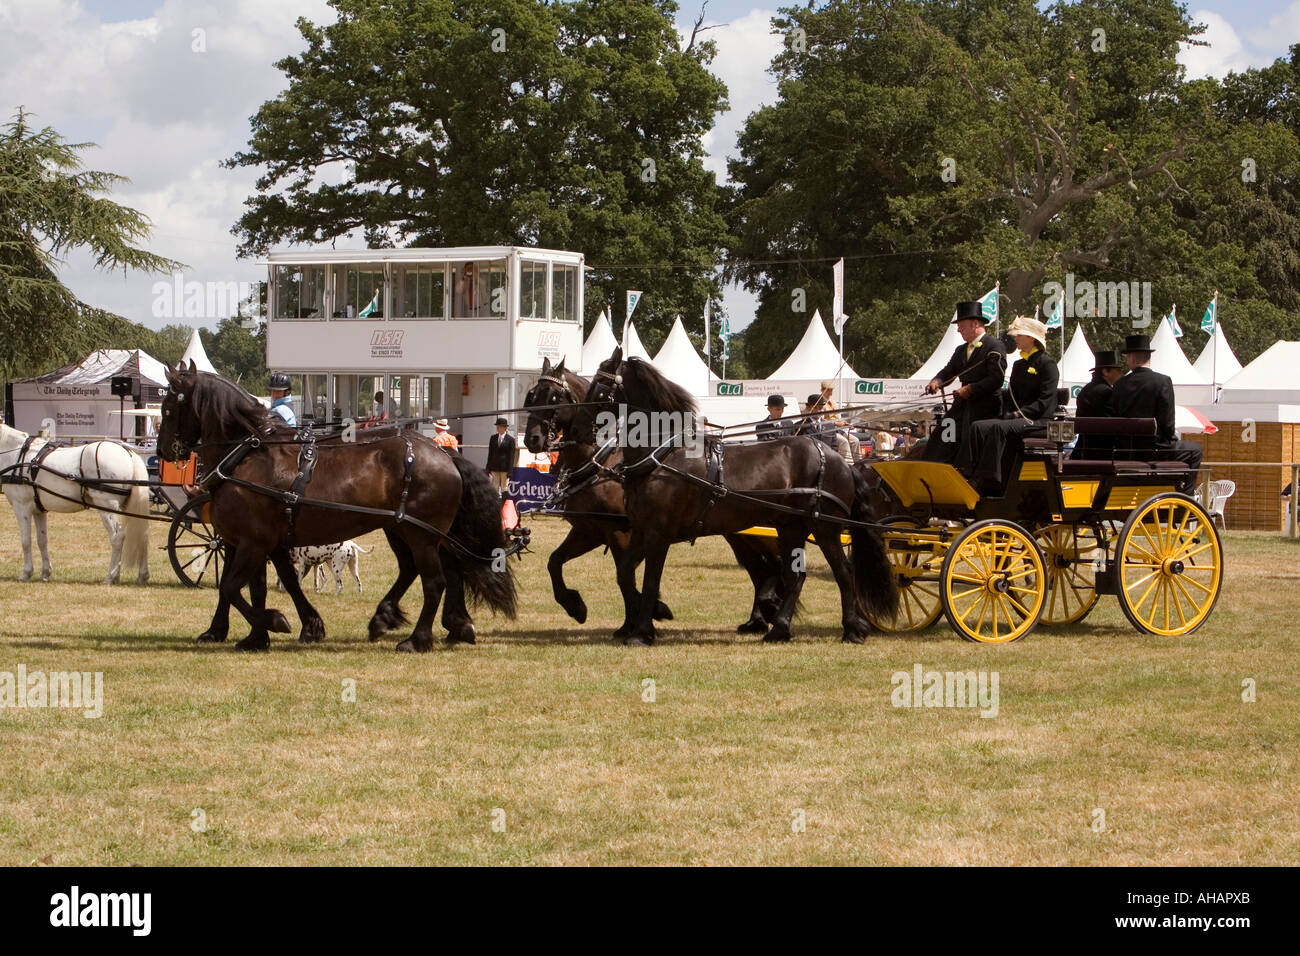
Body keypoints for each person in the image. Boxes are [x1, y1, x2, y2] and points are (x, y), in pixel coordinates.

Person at [960, 315, 1059, 492]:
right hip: (1017, 419)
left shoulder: (1048, 364)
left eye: (1019, 335)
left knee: (998, 428)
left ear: (1031, 338)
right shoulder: (1019, 365)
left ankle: (987, 480)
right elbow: (1011, 396)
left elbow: (1044, 402)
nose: (1015, 338)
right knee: (978, 426)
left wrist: (1016, 414)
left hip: (1039, 421)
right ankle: (967, 470)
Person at [1111, 333, 1203, 493]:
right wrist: (1169, 438)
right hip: (1156, 449)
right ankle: (1186, 496)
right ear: (1148, 357)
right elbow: (1167, 422)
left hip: (1126, 450)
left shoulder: (1120, 385)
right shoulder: (1162, 381)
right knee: (1195, 450)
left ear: (1132, 358)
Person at [921, 300, 1008, 463]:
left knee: (969, 437)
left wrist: (971, 389)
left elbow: (996, 378)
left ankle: (967, 470)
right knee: (943, 432)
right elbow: (949, 371)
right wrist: (937, 381)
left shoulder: (994, 346)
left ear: (975, 324)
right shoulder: (961, 350)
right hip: (962, 407)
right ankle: (937, 466)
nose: (959, 330)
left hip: (985, 407)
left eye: (961, 325)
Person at [1072, 349, 1124, 459]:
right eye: (1118, 370)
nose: (1121, 373)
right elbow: (1112, 421)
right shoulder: (1106, 392)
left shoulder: (1086, 389)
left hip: (1083, 447)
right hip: (1101, 451)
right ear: (1105, 371)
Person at [486, 417, 516, 493]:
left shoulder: (511, 440)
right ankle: (495, 504)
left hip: (505, 468)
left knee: (504, 487)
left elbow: (511, 456)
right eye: (497, 426)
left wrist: (510, 470)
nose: (498, 428)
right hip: (494, 467)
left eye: (500, 426)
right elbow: (490, 453)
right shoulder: (493, 438)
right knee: (494, 486)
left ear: (505, 428)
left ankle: (504, 504)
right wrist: (488, 467)